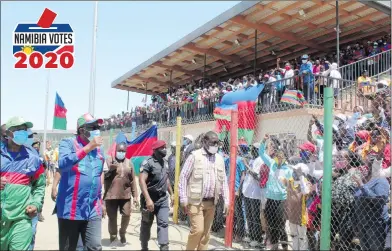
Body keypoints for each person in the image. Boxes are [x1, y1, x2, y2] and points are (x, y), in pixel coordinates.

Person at [56, 113, 105, 251]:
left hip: (93, 207)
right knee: (72, 248)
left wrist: (101, 201)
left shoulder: (100, 151)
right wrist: (88, 147)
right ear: (82, 130)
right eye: (93, 126)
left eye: (97, 126)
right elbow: (63, 164)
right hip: (71, 208)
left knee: (95, 246)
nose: (96, 129)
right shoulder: (68, 143)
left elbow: (98, 176)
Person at [0, 116, 45, 251]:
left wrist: (35, 203)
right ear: (8, 133)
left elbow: (39, 185)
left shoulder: (33, 158)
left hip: (22, 217)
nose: (23, 133)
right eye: (18, 129)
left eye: (24, 130)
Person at [179, 131, 229, 250]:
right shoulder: (195, 156)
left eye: (217, 143)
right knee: (198, 230)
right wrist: (184, 199)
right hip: (196, 201)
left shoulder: (219, 159)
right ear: (205, 142)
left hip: (211, 202)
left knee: (206, 234)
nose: (216, 145)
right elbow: (183, 177)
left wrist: (227, 200)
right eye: (213, 143)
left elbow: (223, 181)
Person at [259, 134, 293, 250]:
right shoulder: (272, 164)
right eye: (277, 157)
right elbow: (261, 153)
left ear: (284, 158)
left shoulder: (287, 170)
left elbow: (291, 185)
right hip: (270, 199)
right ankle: (274, 246)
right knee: (271, 224)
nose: (278, 159)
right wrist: (264, 141)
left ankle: (284, 247)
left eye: (281, 157)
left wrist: (287, 183)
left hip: (281, 201)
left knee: (280, 225)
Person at [139, 140, 173, 251]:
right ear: (156, 150)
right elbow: (142, 180)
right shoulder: (147, 162)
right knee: (146, 225)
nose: (165, 150)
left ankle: (164, 247)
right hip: (149, 200)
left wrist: (171, 194)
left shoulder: (166, 162)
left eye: (165, 147)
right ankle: (144, 246)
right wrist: (148, 199)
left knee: (163, 224)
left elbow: (166, 180)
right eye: (162, 148)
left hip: (162, 199)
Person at [103, 140, 139, 246]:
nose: (121, 152)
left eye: (123, 151)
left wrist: (135, 196)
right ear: (116, 151)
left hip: (125, 195)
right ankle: (113, 235)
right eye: (119, 150)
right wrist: (110, 170)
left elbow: (133, 181)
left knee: (127, 215)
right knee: (112, 217)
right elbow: (103, 177)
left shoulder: (129, 162)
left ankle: (122, 232)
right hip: (111, 195)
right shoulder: (109, 161)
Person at [242, 142, 265, 247]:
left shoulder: (261, 161)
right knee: (249, 215)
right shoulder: (252, 159)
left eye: (254, 149)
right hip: (247, 192)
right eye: (252, 148)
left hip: (255, 193)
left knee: (255, 217)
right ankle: (251, 236)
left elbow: (258, 177)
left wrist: (247, 166)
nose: (252, 150)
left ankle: (257, 238)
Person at [285, 163, 310, 251]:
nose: (294, 173)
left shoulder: (305, 183)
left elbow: (305, 192)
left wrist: (301, 177)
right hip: (292, 214)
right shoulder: (291, 181)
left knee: (302, 237)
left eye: (297, 171)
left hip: (301, 215)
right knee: (293, 235)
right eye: (294, 171)